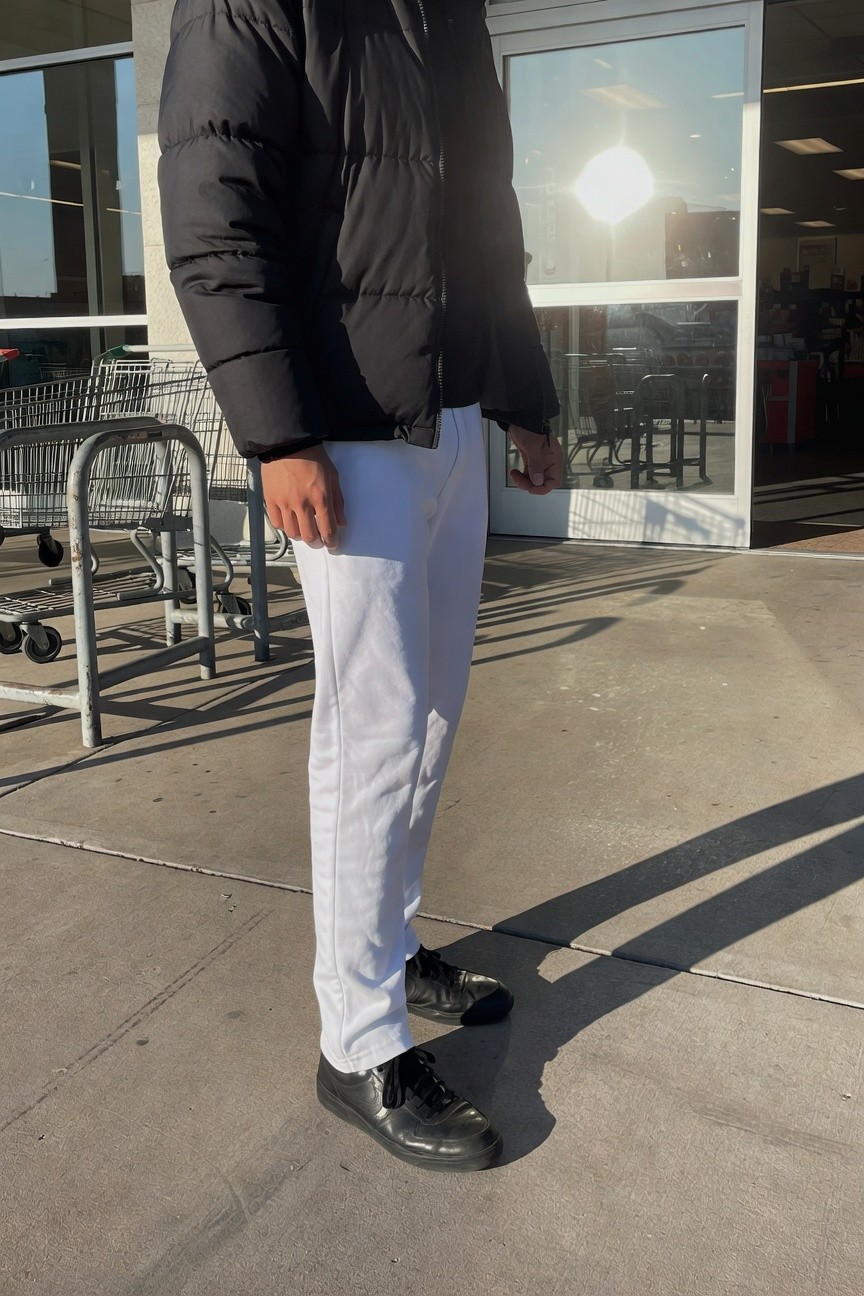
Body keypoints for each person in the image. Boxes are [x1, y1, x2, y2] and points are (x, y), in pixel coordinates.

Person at [159, 0, 563, 1173]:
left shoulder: (446, 11)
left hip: (444, 420)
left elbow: (487, 214)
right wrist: (278, 436)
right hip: (339, 432)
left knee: (432, 714)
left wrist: (524, 395)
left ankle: (384, 951)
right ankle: (357, 1041)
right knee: (372, 730)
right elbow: (216, 212)